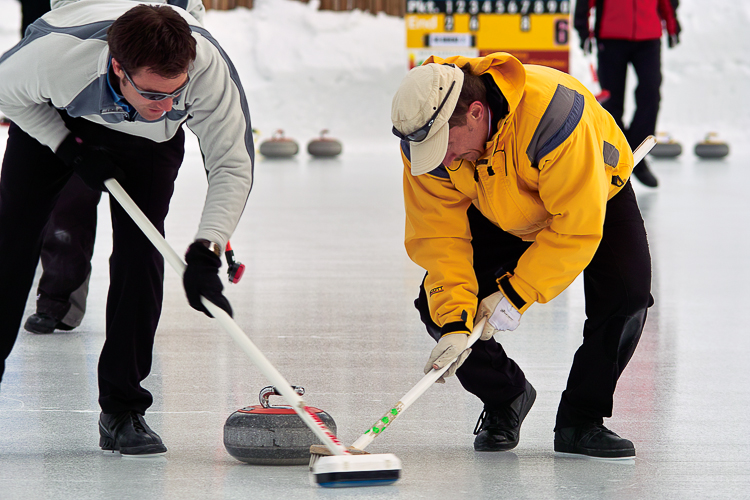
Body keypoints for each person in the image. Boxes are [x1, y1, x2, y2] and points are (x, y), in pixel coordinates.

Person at [0, 0, 255, 456]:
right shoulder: (57, 54)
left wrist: (206, 251)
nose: (169, 105)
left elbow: (232, 165)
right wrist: (68, 148)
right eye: (155, 94)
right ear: (119, 68)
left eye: (177, 94)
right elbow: (3, 92)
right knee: (11, 247)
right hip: (58, 117)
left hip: (148, 148)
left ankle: (122, 410)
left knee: (141, 254)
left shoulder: (207, 70)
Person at [391, 53, 653, 458]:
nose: (440, 160)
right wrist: (457, 322)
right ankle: (505, 395)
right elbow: (439, 238)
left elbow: (575, 226)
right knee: (437, 305)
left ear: (476, 113)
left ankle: (581, 420)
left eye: (444, 146)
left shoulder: (555, 116)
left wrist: (516, 293)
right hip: (497, 203)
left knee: (626, 296)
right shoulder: (430, 151)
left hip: (591, 191)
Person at [575, 0, 681, 188]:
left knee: (651, 93)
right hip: (611, 36)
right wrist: (583, 28)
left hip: (649, 37)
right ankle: (615, 162)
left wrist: (672, 25)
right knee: (612, 102)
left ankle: (636, 155)